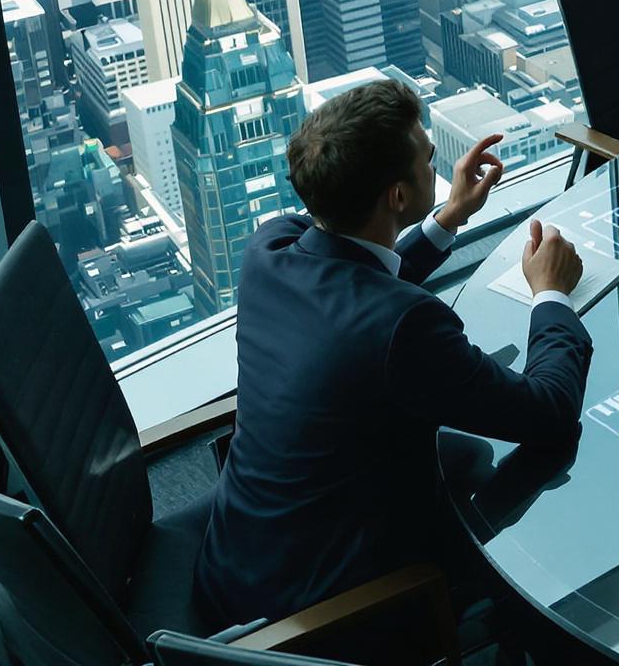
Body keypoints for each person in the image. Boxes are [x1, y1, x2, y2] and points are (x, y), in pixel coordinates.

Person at [196, 78, 593, 631]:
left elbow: (354, 279)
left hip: (236, 562)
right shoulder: (406, 327)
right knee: (534, 478)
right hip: (315, 614)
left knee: (465, 454)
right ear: (397, 197)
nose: (438, 163)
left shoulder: (272, 247)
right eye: (428, 158)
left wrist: (448, 215)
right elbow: (548, 411)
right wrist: (552, 292)